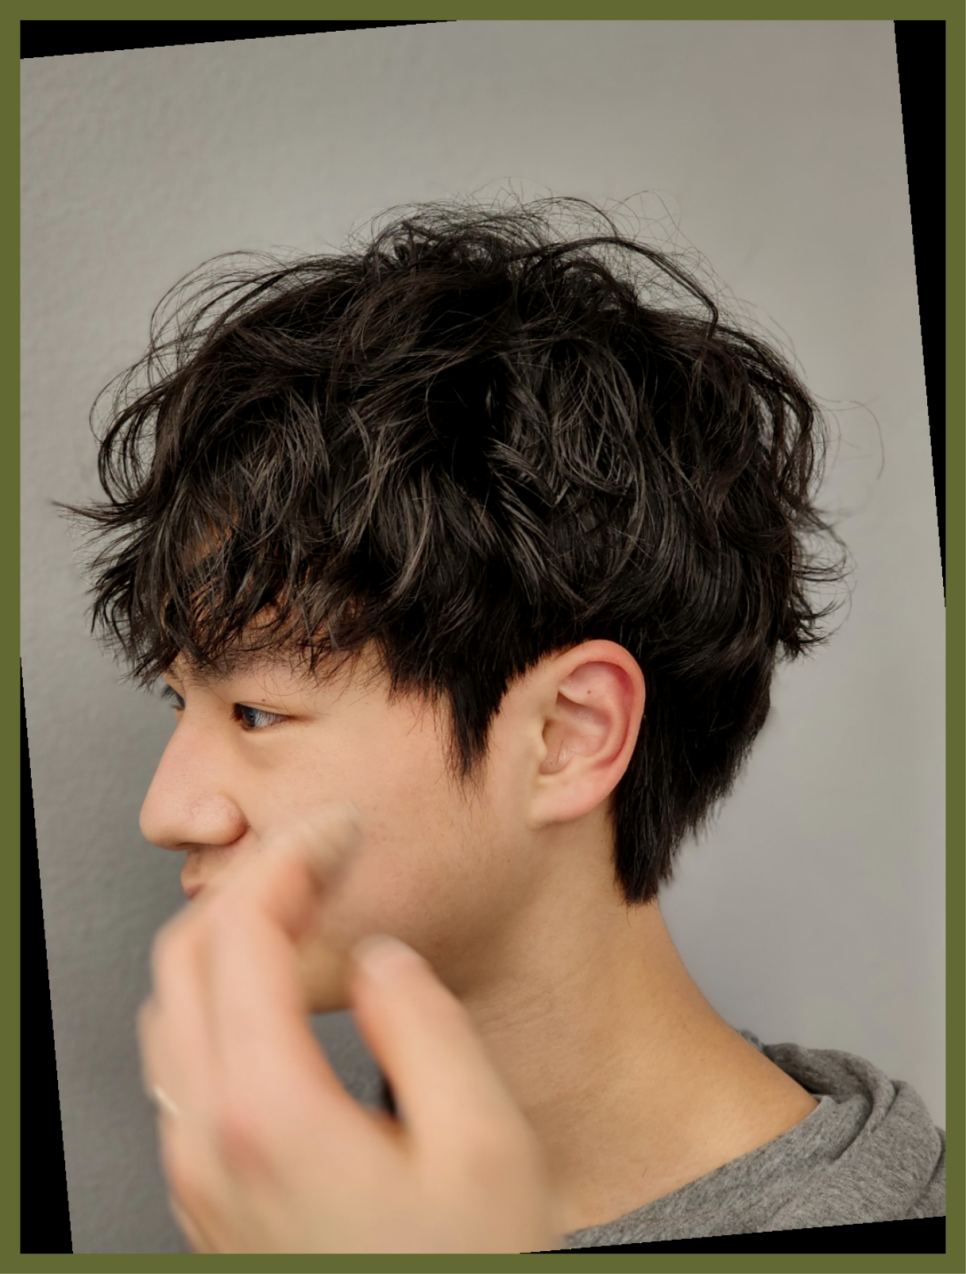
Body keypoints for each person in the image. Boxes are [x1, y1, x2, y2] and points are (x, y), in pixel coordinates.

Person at [65, 197, 945, 1252]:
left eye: (257, 710)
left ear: (568, 734)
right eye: (182, 702)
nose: (168, 810)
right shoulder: (331, 1183)